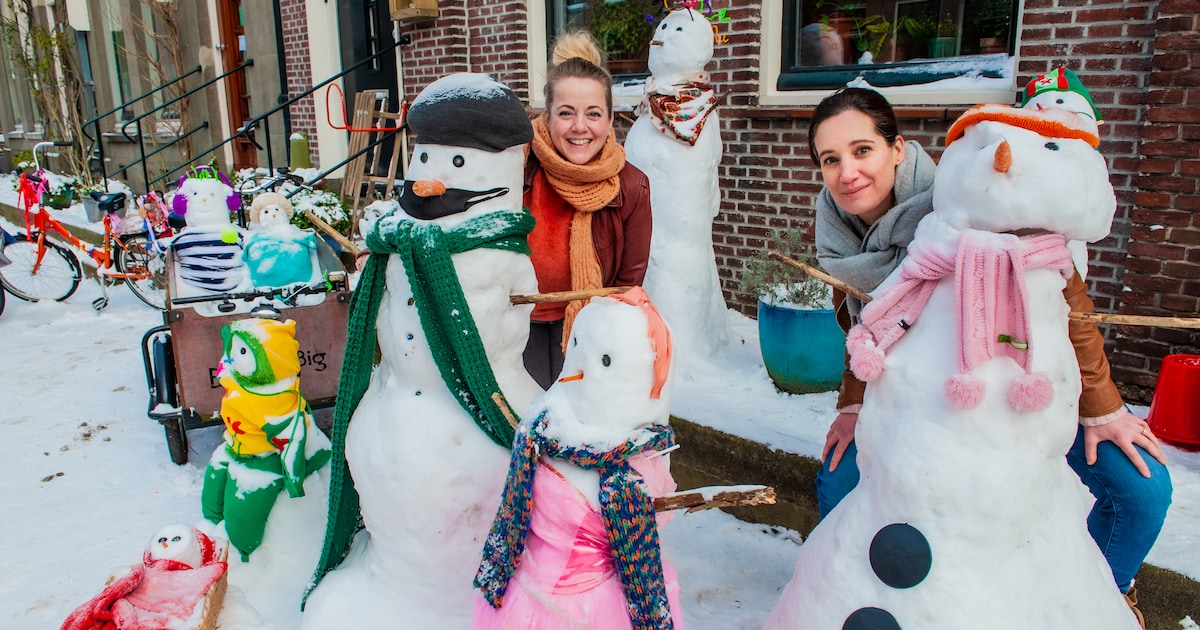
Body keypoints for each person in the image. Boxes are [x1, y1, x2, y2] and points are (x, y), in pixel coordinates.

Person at [809, 86, 1172, 616]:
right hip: (917, 407)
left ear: (898, 148)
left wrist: (1100, 408)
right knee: (837, 480)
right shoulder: (837, 233)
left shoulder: (971, 200)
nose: (847, 173)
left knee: (1142, 491)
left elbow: (1066, 303)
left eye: (862, 150)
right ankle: (839, 595)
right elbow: (864, 326)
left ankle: (1097, 598)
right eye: (830, 159)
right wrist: (852, 405)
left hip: (1015, 389)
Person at [522, 31, 653, 389]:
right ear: (547, 117)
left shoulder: (631, 187)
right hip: (514, 326)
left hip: (586, 331)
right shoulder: (515, 165)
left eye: (593, 113)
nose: (580, 127)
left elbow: (626, 289)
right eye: (566, 113)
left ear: (610, 119)